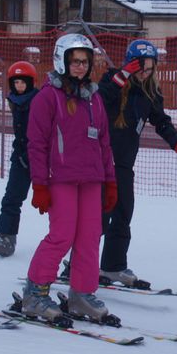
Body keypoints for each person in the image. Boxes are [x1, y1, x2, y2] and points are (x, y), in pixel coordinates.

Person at [20, 33, 118, 326]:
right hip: (60, 179)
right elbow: (36, 143)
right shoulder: (47, 97)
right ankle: (35, 293)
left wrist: (110, 181)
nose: (80, 67)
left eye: (85, 62)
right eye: (75, 61)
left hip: (91, 180)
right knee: (61, 235)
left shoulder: (94, 99)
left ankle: (81, 293)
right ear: (62, 61)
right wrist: (39, 184)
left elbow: (104, 143)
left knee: (89, 238)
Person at [95, 39, 177, 287]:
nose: (144, 72)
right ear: (129, 63)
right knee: (97, 218)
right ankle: (77, 265)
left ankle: (113, 267)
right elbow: (98, 102)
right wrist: (123, 75)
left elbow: (161, 122)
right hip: (100, 162)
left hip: (124, 165)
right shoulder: (111, 81)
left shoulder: (150, 93)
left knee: (123, 213)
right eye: (139, 66)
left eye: (149, 68)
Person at [0, 61, 39, 258]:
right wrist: (21, 153)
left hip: (40, 157)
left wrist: (32, 154)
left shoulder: (39, 100)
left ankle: (65, 238)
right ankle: (7, 237)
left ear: (31, 82)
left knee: (56, 200)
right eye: (15, 82)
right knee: (11, 197)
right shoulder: (15, 100)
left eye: (22, 83)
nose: (19, 86)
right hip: (20, 156)